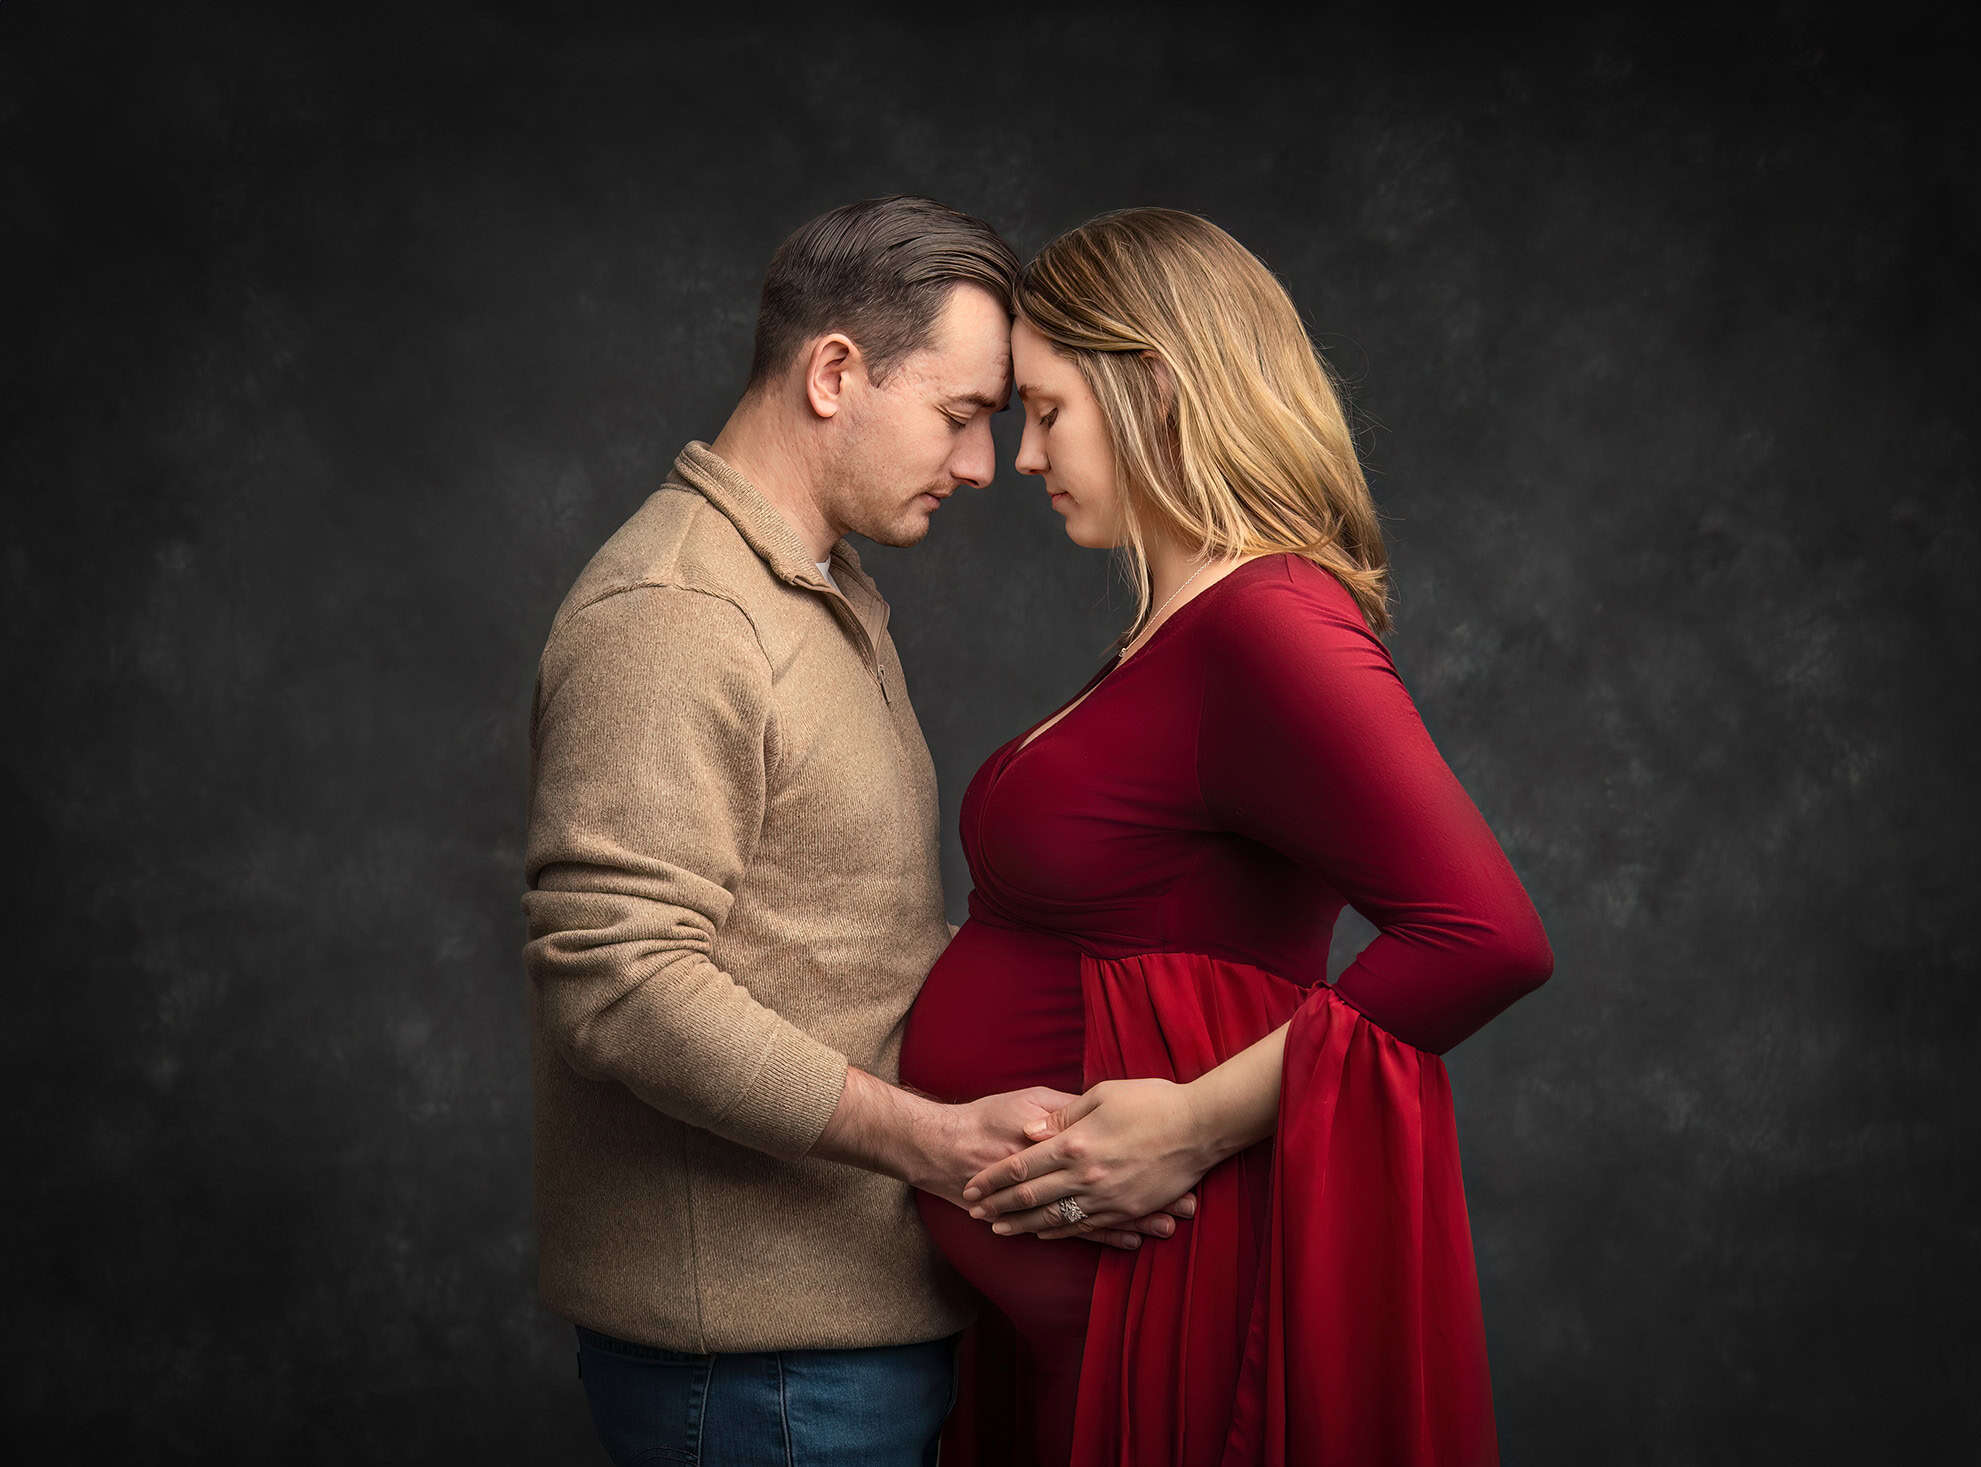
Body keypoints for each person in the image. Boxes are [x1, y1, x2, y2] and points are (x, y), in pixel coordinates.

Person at [518, 196, 1193, 1467]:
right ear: (835, 372)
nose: (988, 465)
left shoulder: (814, 597)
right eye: (959, 415)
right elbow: (618, 981)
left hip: (842, 1342)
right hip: (762, 1370)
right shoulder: (677, 614)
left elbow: (824, 938)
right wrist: (933, 1141)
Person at [898, 207, 1557, 1467]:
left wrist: (1193, 1122)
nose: (1024, 458)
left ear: (1154, 387)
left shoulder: (1269, 626)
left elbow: (1486, 935)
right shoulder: (1181, 623)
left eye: (1046, 410)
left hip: (1169, 1306)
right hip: (1070, 1318)